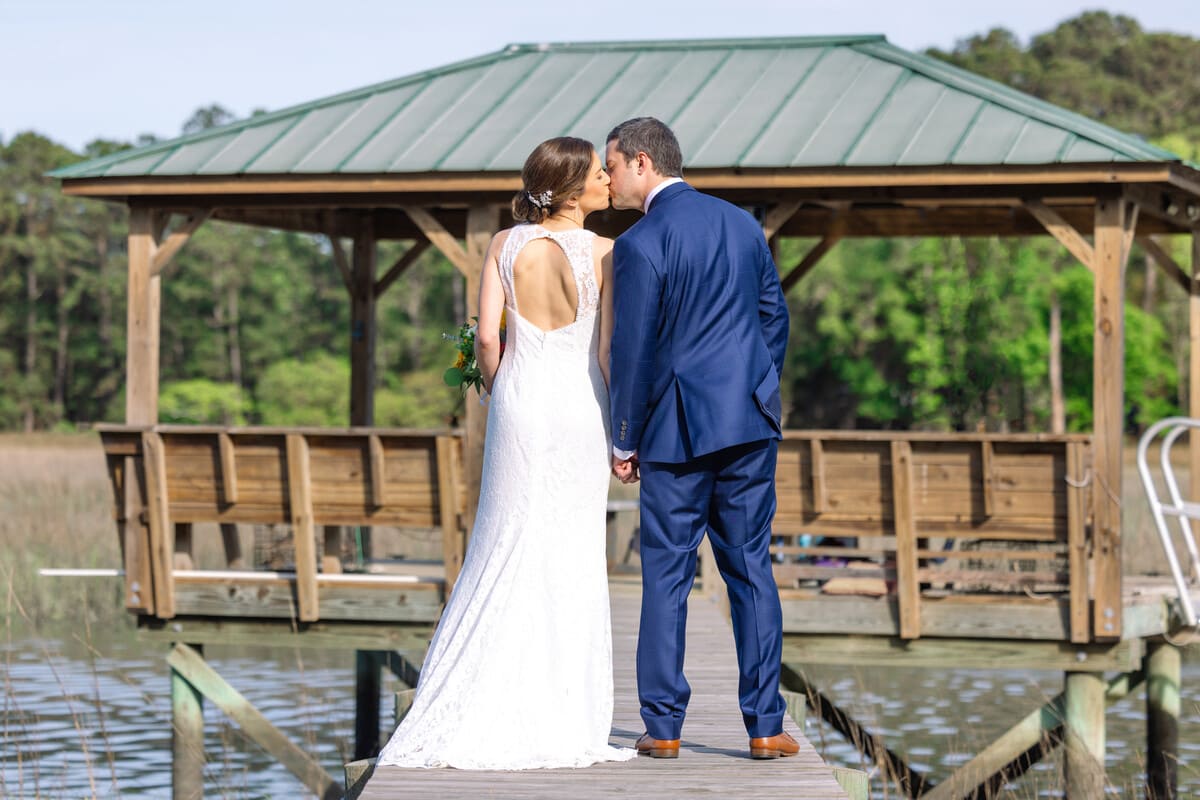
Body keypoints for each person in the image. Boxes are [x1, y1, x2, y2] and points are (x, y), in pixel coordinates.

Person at [376, 137, 635, 770]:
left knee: (504, 537)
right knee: (571, 547)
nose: (609, 181)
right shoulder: (606, 252)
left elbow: (488, 341)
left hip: (520, 403)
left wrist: (498, 388)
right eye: (601, 174)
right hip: (580, 406)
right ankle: (562, 708)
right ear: (573, 188)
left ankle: (481, 690)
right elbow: (606, 353)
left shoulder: (503, 244)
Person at [605, 117, 798, 760]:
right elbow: (774, 315)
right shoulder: (742, 223)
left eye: (611, 166)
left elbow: (632, 353)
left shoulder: (640, 242)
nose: (607, 179)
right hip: (748, 423)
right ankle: (766, 726)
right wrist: (755, 384)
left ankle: (662, 729)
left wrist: (624, 437)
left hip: (674, 433)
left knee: (665, 577)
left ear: (641, 162)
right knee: (750, 571)